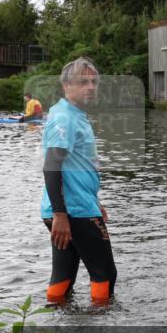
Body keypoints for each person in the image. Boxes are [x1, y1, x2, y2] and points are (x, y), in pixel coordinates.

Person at [41, 58, 117, 305]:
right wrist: (61, 214)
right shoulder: (65, 119)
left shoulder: (70, 113)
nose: (91, 87)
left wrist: (93, 201)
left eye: (94, 82)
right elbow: (52, 167)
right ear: (66, 86)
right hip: (72, 212)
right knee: (104, 275)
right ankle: (101, 332)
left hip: (73, 207)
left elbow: (77, 166)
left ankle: (55, 319)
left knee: (62, 275)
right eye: (83, 82)